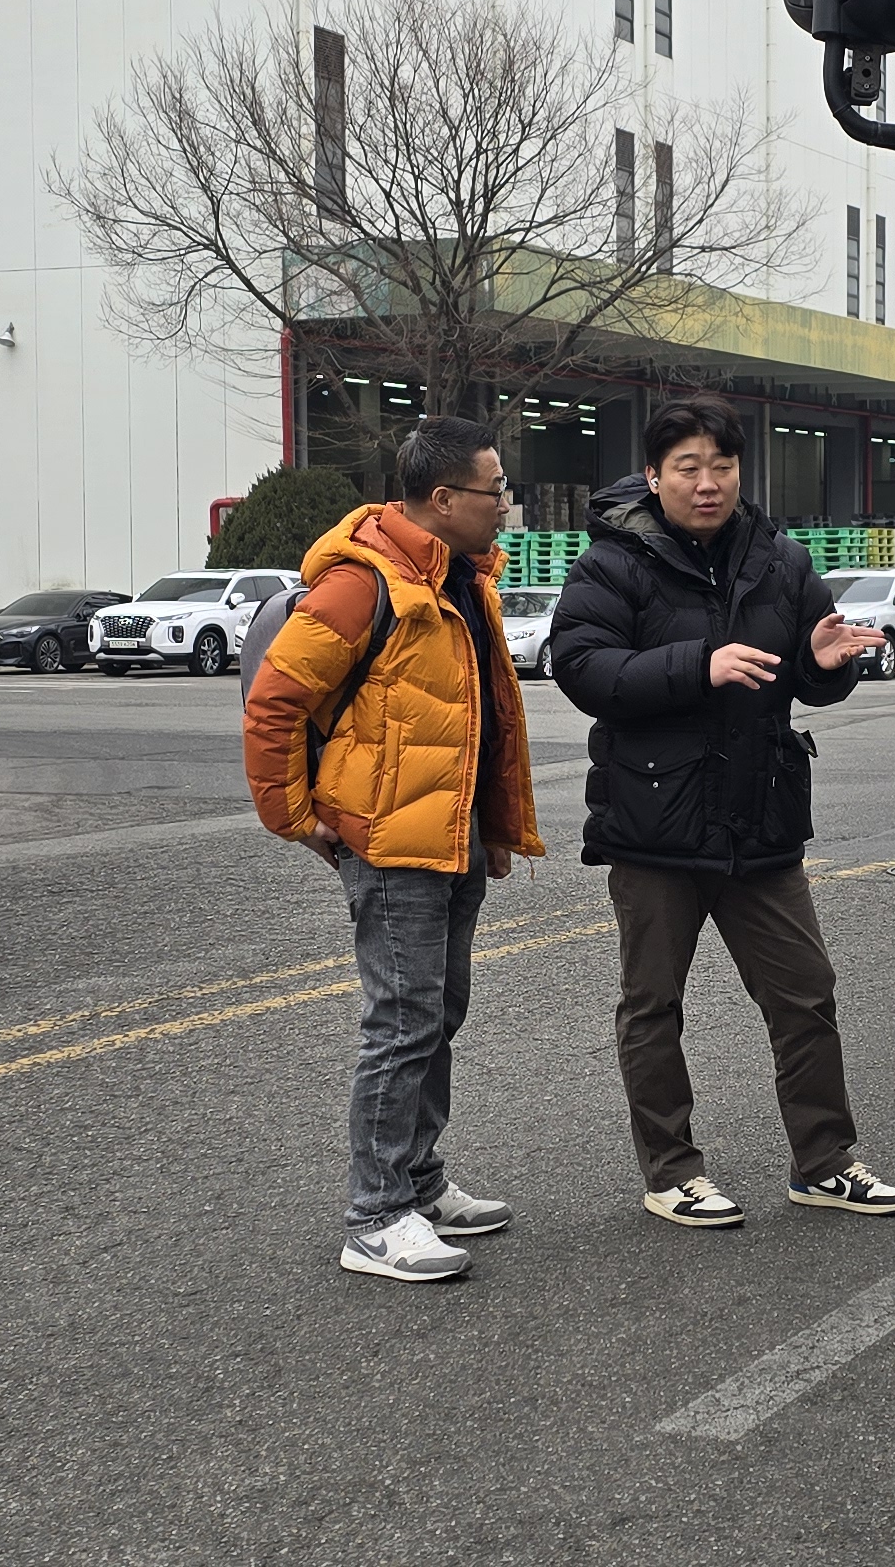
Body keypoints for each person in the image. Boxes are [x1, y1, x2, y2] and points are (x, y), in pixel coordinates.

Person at [546, 398, 895, 1230]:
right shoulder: (612, 562)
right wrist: (697, 665)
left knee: (806, 996)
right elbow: (583, 668)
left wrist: (824, 666)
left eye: (722, 466)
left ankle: (825, 1162)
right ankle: (672, 1171)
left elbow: (806, 673)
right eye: (688, 468)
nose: (707, 483)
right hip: (656, 821)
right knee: (653, 1005)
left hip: (759, 817)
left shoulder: (779, 558)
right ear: (653, 475)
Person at [242, 415, 543, 1283]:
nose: (504, 506)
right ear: (443, 498)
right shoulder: (360, 584)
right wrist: (294, 817)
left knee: (437, 1015)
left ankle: (418, 1182)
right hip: (391, 843)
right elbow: (274, 704)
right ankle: (374, 1217)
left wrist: (491, 827)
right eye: (494, 491)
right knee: (402, 1023)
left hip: (450, 837)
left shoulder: (461, 579)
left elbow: (480, 718)